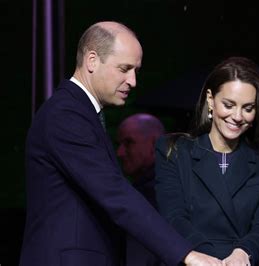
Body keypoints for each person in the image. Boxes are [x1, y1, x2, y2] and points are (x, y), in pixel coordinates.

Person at [20, 21, 220, 266]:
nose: (133, 81)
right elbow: (115, 193)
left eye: (135, 70)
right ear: (92, 60)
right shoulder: (65, 114)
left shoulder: (78, 113)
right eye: (124, 69)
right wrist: (187, 254)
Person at [154, 56, 259, 265]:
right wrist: (206, 258)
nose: (237, 116)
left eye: (248, 108)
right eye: (229, 104)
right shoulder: (174, 151)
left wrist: (243, 253)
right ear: (210, 99)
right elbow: (173, 217)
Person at [116, 113, 165, 266]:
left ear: (154, 144)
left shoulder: (159, 194)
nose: (120, 152)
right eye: (119, 144)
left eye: (129, 143)